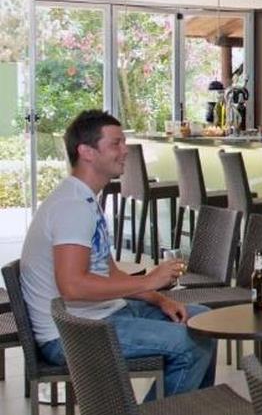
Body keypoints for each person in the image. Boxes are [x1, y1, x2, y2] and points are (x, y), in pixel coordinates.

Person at [19, 110, 214, 398]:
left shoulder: (86, 199)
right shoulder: (72, 206)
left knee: (204, 322)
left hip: (102, 314)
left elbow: (109, 272)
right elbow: (72, 287)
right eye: (115, 144)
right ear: (86, 152)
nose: (125, 151)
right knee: (191, 344)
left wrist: (160, 299)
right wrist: (149, 280)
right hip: (71, 333)